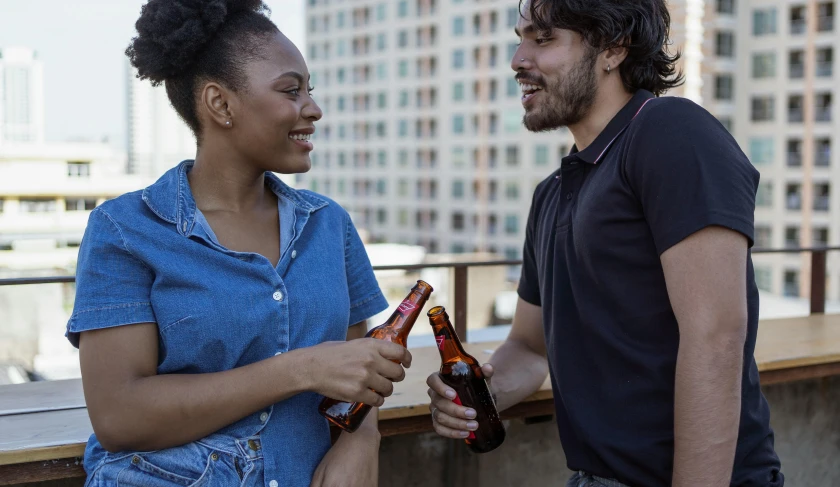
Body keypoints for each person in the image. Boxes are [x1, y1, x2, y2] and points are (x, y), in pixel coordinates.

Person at [427, 1, 784, 486]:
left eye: (543, 38)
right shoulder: (552, 191)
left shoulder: (669, 132)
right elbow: (530, 348)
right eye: (520, 38)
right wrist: (471, 399)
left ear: (613, 49)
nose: (517, 59)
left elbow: (716, 338)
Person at [65, 1, 409, 486]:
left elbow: (361, 372)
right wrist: (301, 369)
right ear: (220, 104)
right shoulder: (126, 230)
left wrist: (361, 439)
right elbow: (120, 417)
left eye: (310, 90)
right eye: (291, 91)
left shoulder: (329, 225)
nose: (313, 108)